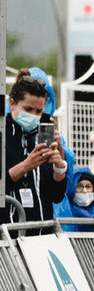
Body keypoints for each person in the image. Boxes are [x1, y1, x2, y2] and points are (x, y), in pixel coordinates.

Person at [5, 75, 69, 230]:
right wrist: (25, 166)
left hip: (42, 235)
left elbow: (56, 196)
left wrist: (59, 168)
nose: (34, 115)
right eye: (28, 109)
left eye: (39, 111)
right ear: (12, 104)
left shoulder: (42, 137)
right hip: (8, 238)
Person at [55, 168, 94, 232]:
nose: (84, 191)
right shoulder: (63, 209)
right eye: (79, 186)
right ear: (72, 189)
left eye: (88, 187)